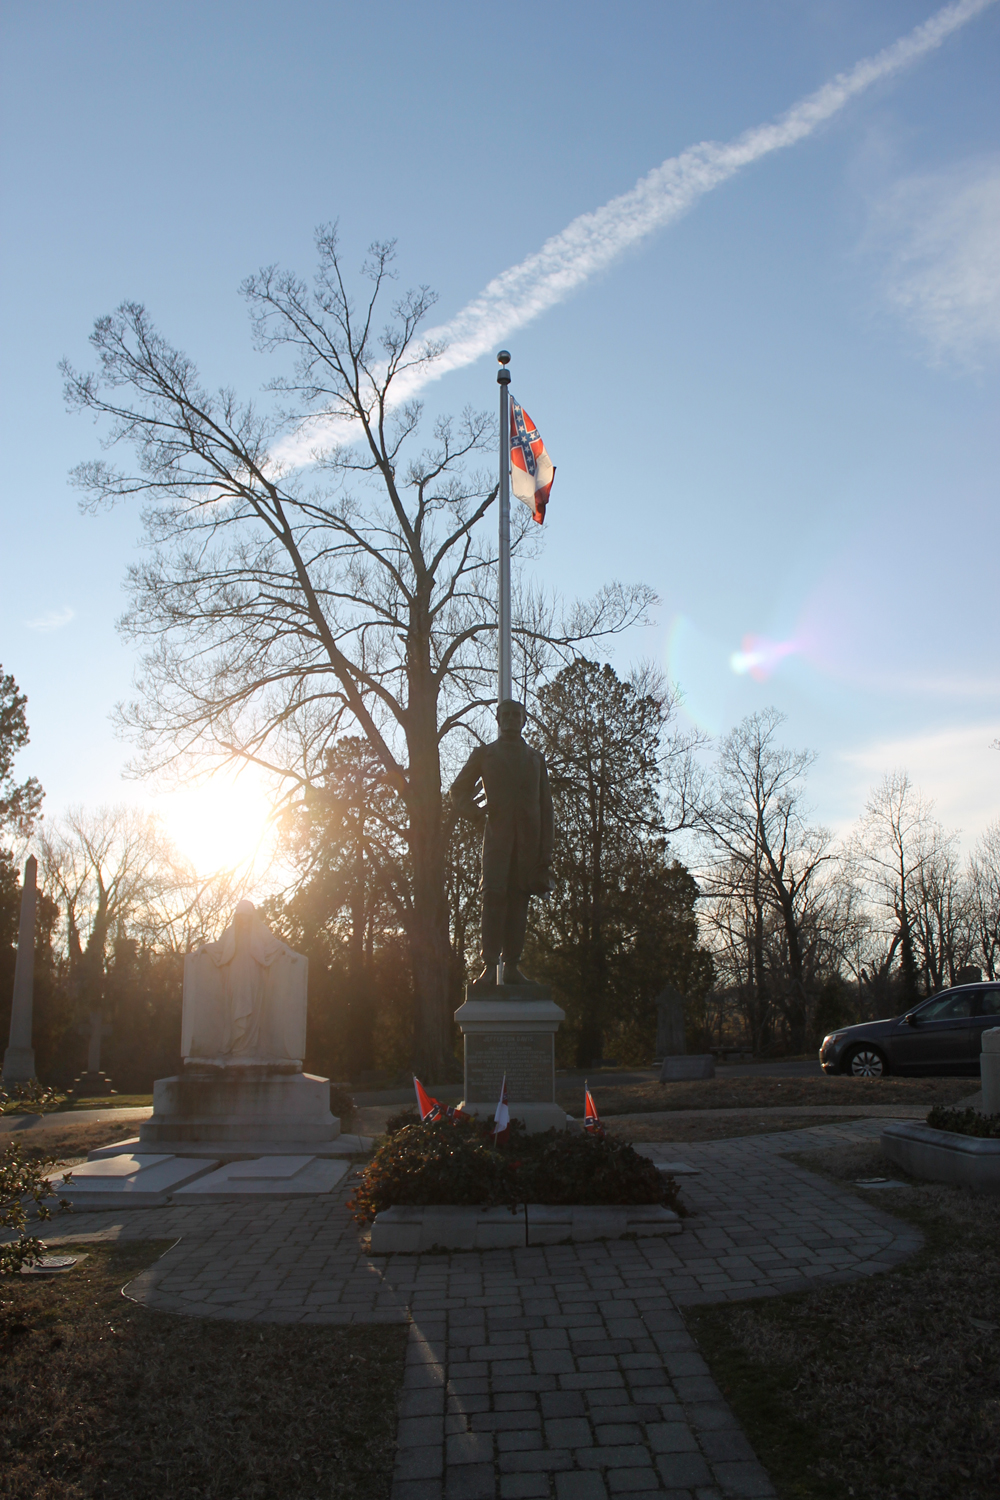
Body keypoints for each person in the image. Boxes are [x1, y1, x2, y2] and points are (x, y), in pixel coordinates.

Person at [450, 699, 554, 989]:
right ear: (498, 719)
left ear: (524, 720)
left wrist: (545, 853)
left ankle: (511, 966)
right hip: (497, 842)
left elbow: (546, 807)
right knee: (493, 900)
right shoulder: (485, 755)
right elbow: (457, 790)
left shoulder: (537, 759)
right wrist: (475, 812)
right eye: (505, 714)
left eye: (515, 715)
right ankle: (489, 966)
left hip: (528, 847)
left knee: (520, 903)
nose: (510, 719)